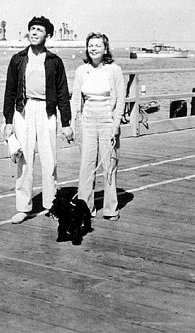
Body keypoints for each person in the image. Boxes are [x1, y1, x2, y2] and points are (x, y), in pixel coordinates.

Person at [3, 16, 74, 224]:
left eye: (39, 30)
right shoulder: (18, 59)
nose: (34, 33)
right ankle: (23, 207)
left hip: (47, 110)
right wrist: (8, 120)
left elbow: (63, 93)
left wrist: (67, 123)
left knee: (49, 159)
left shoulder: (54, 62)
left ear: (48, 35)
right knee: (24, 160)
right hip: (23, 110)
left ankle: (50, 205)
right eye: (32, 29)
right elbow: (9, 92)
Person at [70, 32, 125, 221]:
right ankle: (86, 208)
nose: (93, 48)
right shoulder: (80, 71)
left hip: (108, 120)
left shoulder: (114, 70)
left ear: (105, 49)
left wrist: (116, 125)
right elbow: (76, 99)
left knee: (109, 164)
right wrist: (72, 124)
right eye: (90, 45)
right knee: (86, 165)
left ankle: (111, 208)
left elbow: (121, 100)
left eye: (98, 45)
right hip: (87, 122)